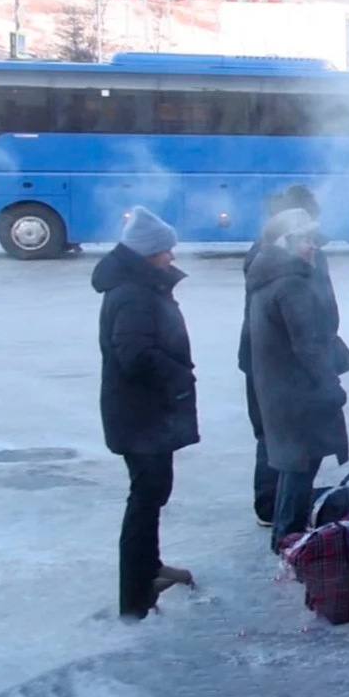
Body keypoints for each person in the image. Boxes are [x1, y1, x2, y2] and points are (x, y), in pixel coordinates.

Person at [94, 207, 200, 620]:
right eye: (164, 250)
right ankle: (135, 595)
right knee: (144, 498)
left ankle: (150, 569)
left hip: (144, 414)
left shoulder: (138, 287)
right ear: (145, 254)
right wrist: (179, 377)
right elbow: (134, 355)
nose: (171, 256)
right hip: (140, 416)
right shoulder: (133, 295)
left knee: (152, 493)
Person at [247, 208, 349, 551]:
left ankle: (284, 534)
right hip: (297, 394)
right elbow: (308, 346)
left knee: (294, 465)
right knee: (300, 465)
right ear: (287, 243)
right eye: (306, 240)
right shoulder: (292, 285)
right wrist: (330, 387)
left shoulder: (269, 276)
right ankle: (288, 540)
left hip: (280, 390)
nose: (313, 247)